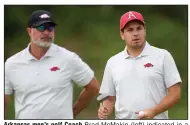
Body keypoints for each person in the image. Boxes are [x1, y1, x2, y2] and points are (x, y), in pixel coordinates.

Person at [4, 10, 100, 119]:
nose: (46, 32)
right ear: (29, 31)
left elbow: (93, 87)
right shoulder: (12, 64)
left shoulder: (68, 58)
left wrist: (73, 112)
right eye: (40, 28)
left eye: (50, 28)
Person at [98, 11, 181, 119]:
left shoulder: (163, 56)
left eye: (139, 28)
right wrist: (105, 110)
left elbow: (175, 94)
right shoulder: (113, 62)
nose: (135, 33)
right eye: (130, 30)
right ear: (122, 34)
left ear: (145, 30)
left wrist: (154, 111)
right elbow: (109, 99)